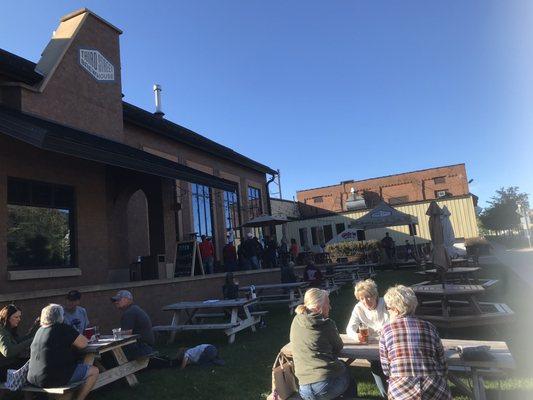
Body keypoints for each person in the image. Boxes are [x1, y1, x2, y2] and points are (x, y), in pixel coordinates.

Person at [380, 285, 451, 400]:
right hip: (434, 389)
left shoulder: (386, 330)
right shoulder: (430, 327)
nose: (387, 311)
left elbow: (385, 369)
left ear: (396, 310)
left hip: (401, 391)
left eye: (388, 308)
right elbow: (442, 363)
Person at [290, 288, 356, 400]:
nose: (330, 307)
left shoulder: (296, 320)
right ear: (318, 307)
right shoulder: (327, 324)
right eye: (328, 304)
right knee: (348, 378)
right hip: (325, 385)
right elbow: (338, 347)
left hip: (303, 387)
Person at [27, 304, 98, 400]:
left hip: (33, 378)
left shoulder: (39, 331)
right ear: (61, 316)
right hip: (53, 378)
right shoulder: (62, 328)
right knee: (94, 371)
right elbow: (84, 344)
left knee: (70, 372)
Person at [345, 279, 389, 397]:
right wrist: (357, 336)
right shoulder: (358, 308)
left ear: (375, 295)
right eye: (361, 298)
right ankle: (386, 395)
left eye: (368, 297)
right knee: (376, 363)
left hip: (389, 343)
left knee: (385, 363)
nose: (365, 301)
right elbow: (349, 329)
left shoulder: (385, 303)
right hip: (372, 345)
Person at [0, 304, 39, 381]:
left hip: (10, 366)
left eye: (19, 317)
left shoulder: (8, 330)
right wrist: (32, 340)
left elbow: (20, 341)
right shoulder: (1, 331)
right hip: (3, 369)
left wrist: (36, 325)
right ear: (7, 318)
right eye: (16, 317)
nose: (19, 319)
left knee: (34, 362)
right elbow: (8, 352)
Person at [111, 290, 155, 359]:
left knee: (109, 354)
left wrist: (115, 333)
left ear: (127, 299)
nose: (116, 302)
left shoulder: (129, 313)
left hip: (141, 349)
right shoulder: (134, 309)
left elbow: (127, 334)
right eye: (115, 300)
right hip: (146, 347)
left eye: (119, 300)